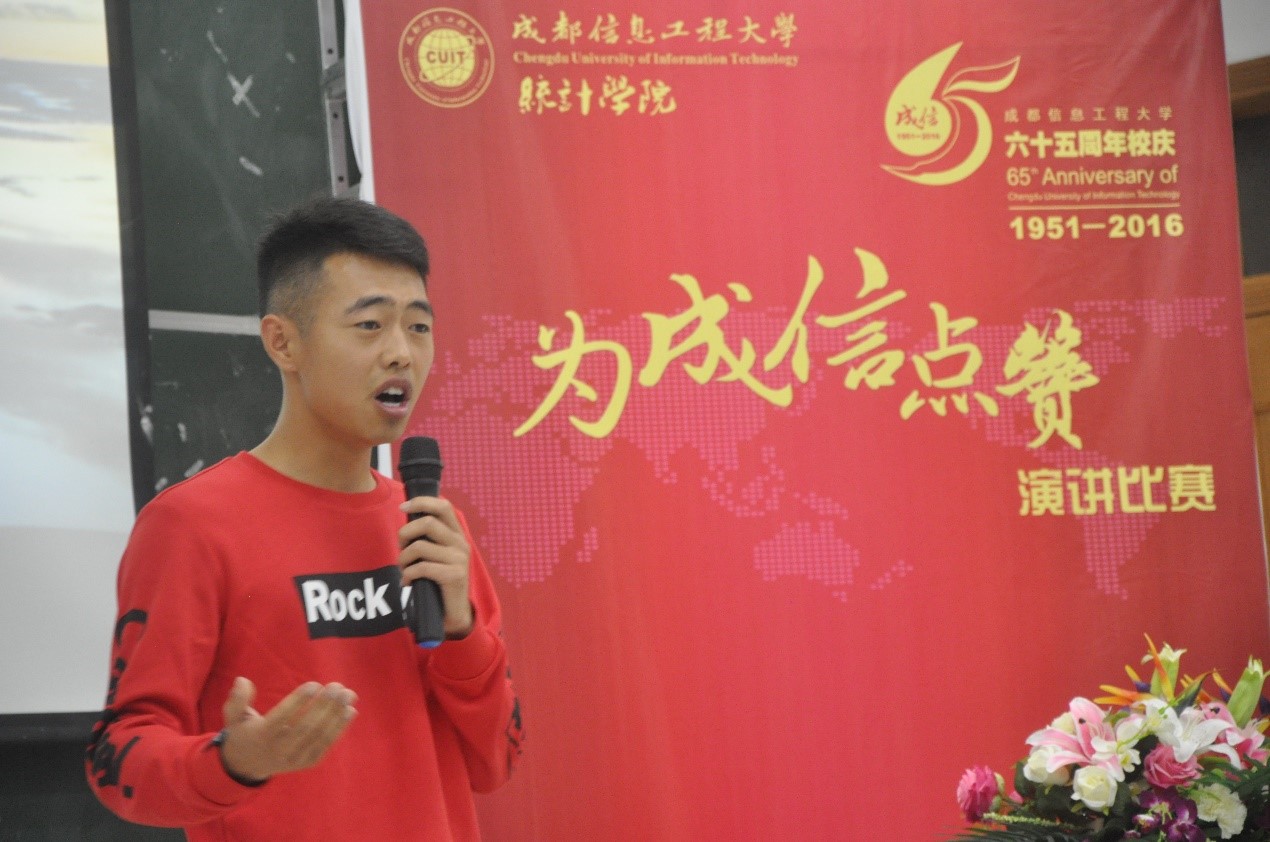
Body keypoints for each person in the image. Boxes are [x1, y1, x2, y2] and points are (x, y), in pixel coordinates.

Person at [86, 197, 523, 841]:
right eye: (370, 325)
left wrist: (462, 635)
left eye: (418, 326)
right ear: (283, 342)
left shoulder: (430, 526)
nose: (402, 353)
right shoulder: (192, 524)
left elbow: (496, 761)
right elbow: (118, 760)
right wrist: (234, 762)